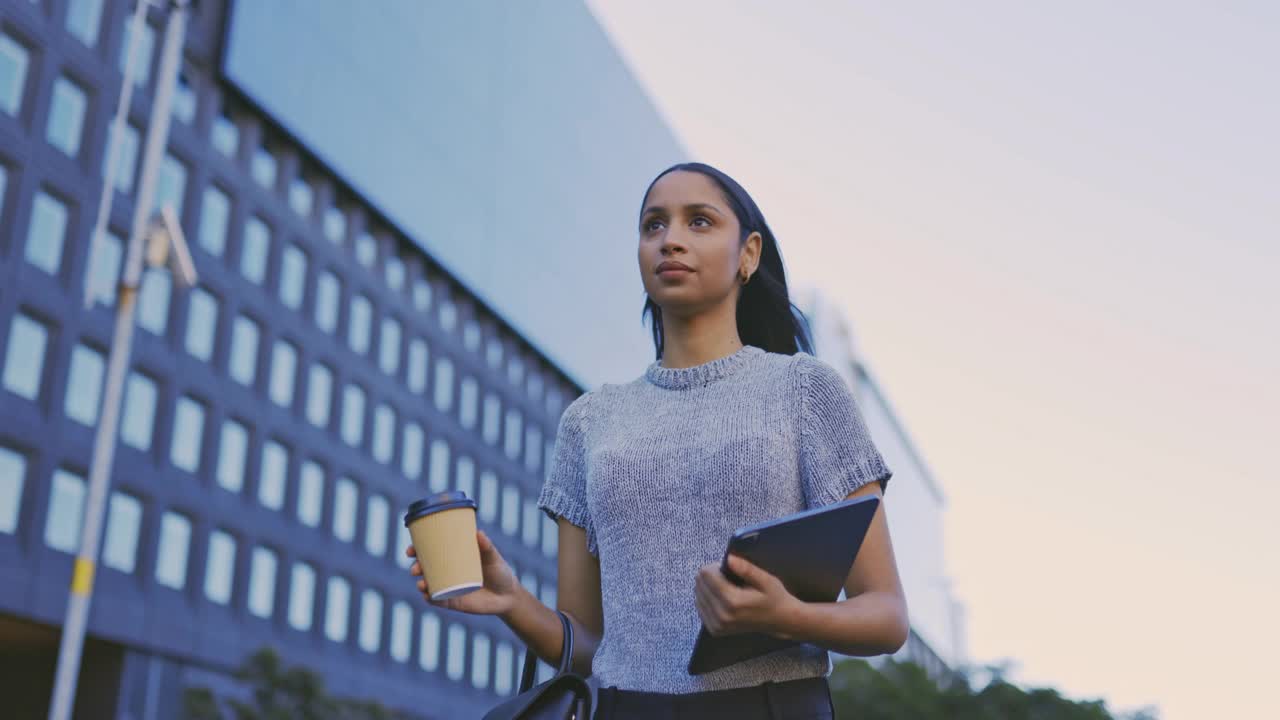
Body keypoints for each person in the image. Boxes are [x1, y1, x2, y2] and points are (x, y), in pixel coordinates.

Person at [405, 162, 908, 719]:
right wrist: (511, 601)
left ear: (749, 255)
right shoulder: (588, 422)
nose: (670, 240)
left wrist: (784, 615)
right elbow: (591, 649)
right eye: (653, 226)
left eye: (699, 222)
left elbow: (886, 617)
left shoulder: (807, 391)